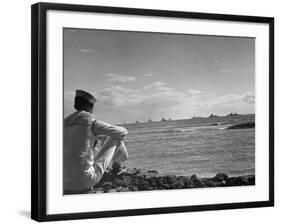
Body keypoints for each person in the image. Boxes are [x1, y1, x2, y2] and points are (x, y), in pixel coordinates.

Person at [63, 90, 129, 194]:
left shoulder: (64, 123)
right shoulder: (90, 122)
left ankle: (111, 168)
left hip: (64, 182)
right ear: (90, 107)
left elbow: (79, 143)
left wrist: (100, 137)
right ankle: (117, 167)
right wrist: (106, 136)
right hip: (85, 181)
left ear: (75, 105)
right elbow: (122, 133)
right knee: (115, 137)